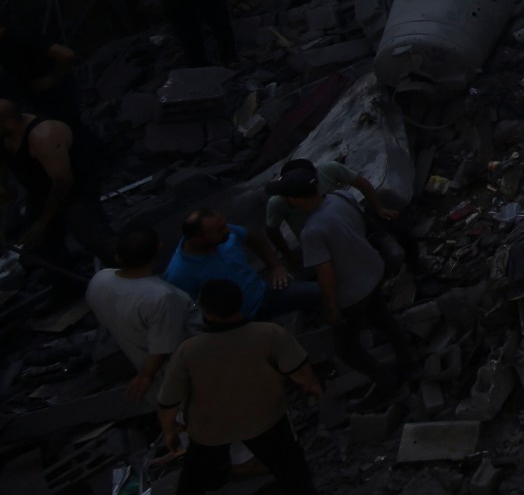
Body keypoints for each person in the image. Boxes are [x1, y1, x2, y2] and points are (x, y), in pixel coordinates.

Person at [157, 278, 321, 495]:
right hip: (264, 419)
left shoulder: (189, 351)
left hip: (210, 428)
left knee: (192, 484)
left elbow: (169, 401)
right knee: (294, 474)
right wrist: (313, 387)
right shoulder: (270, 334)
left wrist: (169, 431)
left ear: (208, 312)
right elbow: (301, 373)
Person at [274, 168, 411, 382]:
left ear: (293, 199)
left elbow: (326, 275)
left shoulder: (312, 232)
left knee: (347, 349)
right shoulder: (341, 197)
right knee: (383, 318)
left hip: (352, 291)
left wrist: (331, 310)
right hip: (372, 268)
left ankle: (388, 382)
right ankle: (407, 359)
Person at [1, 97, 111, 276]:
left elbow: (62, 180)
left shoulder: (43, 136)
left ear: (10, 122)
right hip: (40, 192)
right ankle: (66, 285)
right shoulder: (4, 135)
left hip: (75, 190)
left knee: (93, 237)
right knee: (39, 244)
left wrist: (43, 221)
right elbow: (4, 161)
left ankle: (128, 274)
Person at [263, 156, 419, 273]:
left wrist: (380, 208)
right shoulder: (280, 204)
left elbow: (361, 182)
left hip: (350, 220)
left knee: (397, 232)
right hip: (324, 239)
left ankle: (414, 264)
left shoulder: (330, 173)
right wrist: (289, 255)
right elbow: (272, 229)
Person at [90, 225, 193, 398]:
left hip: (138, 354)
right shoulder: (161, 297)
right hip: (178, 368)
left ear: (118, 257)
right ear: (159, 248)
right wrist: (146, 375)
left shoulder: (99, 280)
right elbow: (163, 347)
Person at [164, 209, 318, 322]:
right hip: (240, 320)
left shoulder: (226, 234)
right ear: (198, 239)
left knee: (321, 291)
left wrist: (275, 266)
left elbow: (250, 236)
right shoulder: (179, 274)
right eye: (220, 230)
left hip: (263, 292)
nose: (228, 230)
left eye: (225, 225)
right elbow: (189, 312)